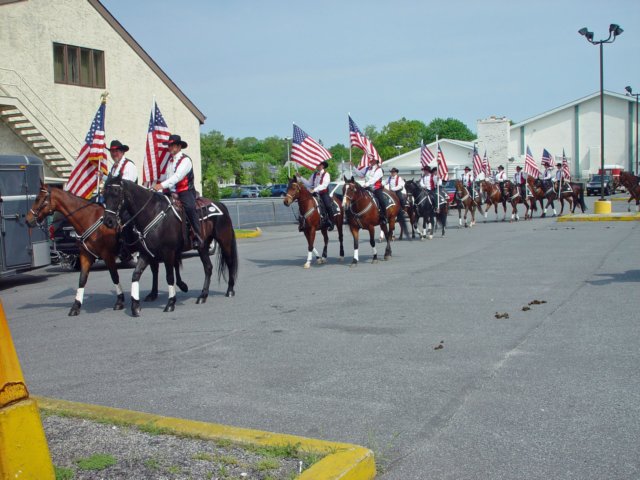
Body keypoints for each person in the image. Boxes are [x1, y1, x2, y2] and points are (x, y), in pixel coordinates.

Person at [153, 134, 203, 248]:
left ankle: (197, 234)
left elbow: (177, 177)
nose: (171, 147)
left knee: (190, 207)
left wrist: (161, 185)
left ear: (179, 146)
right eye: (170, 145)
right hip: (170, 190)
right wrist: (154, 185)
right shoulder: (170, 161)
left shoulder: (185, 160)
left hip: (184, 191)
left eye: (173, 145)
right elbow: (167, 177)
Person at [299, 160, 333, 230]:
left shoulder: (326, 174)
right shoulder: (314, 174)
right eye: (317, 165)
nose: (318, 166)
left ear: (323, 166)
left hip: (323, 193)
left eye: (319, 165)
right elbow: (309, 183)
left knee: (328, 205)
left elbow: (324, 185)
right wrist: (300, 177)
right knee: (305, 204)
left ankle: (331, 221)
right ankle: (303, 222)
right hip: (314, 193)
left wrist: (314, 189)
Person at [355, 157, 386, 223]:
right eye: (370, 161)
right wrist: (353, 167)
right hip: (367, 187)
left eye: (372, 161)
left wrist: (367, 184)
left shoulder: (379, 170)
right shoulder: (367, 169)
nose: (370, 162)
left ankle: (384, 216)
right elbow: (360, 174)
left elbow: (374, 179)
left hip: (376, 188)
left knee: (381, 200)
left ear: (376, 162)